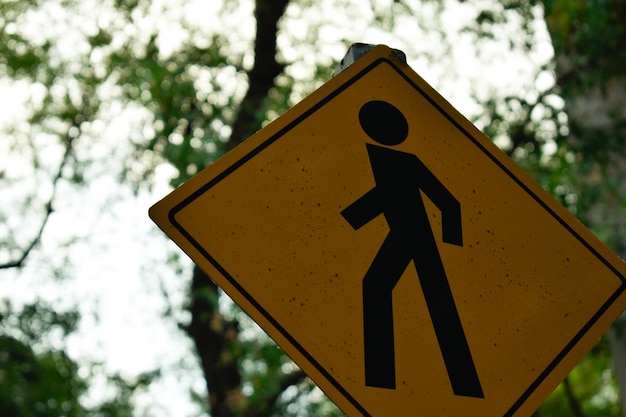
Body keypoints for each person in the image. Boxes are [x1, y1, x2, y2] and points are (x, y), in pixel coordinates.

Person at [341, 100, 483, 398]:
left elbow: (448, 202)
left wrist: (452, 242)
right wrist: (350, 219)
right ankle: (460, 381)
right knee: (409, 292)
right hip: (404, 233)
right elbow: (383, 196)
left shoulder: (406, 161)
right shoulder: (380, 156)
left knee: (402, 291)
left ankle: (386, 379)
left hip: (415, 233)